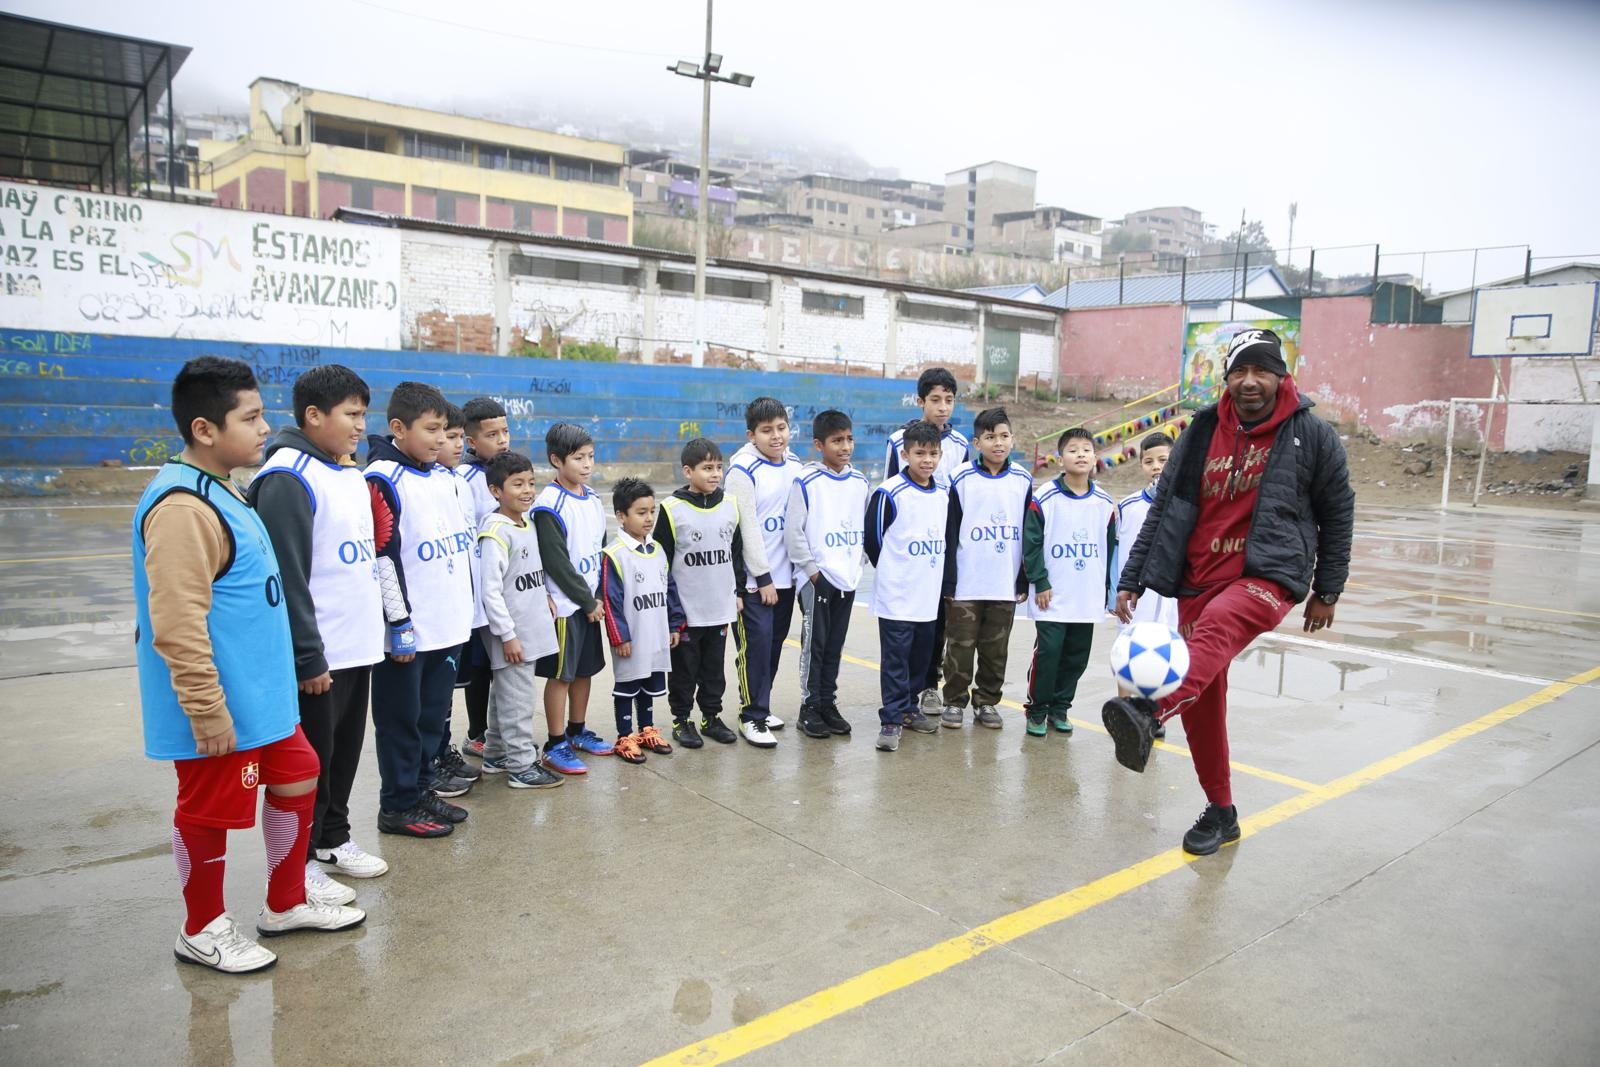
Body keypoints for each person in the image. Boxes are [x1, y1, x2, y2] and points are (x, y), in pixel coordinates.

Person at [135, 357, 362, 975]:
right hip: (222, 702)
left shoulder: (223, 487)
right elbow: (177, 623)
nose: (266, 427)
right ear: (206, 429)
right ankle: (201, 927)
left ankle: (286, 902)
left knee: (299, 770)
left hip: (262, 698)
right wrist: (206, 709)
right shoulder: (182, 507)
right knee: (208, 808)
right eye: (252, 417)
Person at [1104, 328, 1354, 856]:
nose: (1249, 381)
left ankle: (1148, 714)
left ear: (1281, 376)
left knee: (1219, 626)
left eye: (1261, 370)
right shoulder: (1200, 432)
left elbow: (1338, 512)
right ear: (1227, 379)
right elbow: (1165, 507)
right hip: (1198, 576)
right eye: (1239, 371)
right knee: (1204, 700)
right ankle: (1222, 812)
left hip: (1267, 574)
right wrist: (1131, 577)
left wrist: (1327, 588)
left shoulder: (1312, 435)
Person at [248, 364, 389, 909]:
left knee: (344, 754)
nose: (360, 426)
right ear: (313, 415)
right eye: (351, 415)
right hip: (319, 656)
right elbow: (287, 577)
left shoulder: (344, 470)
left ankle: (333, 838)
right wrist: (308, 656)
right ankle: (299, 862)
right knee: (306, 765)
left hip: (356, 647)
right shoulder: (287, 477)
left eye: (362, 415)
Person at [365, 381, 476, 837]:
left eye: (444, 430)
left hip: (449, 624)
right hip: (411, 632)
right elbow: (384, 554)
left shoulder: (445, 477)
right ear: (398, 427)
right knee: (402, 721)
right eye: (431, 430)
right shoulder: (383, 479)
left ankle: (422, 790)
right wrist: (400, 623)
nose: (440, 439)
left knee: (432, 717)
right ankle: (397, 803)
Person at [883, 367, 969, 718]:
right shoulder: (897, 441)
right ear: (921, 401)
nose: (943, 407)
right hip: (910, 539)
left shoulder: (961, 444)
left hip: (943, 537)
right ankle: (900, 696)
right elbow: (890, 500)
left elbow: (960, 498)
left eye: (949, 400)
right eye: (935, 400)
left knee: (937, 620)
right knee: (907, 626)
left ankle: (929, 686)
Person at [475, 451, 564, 789]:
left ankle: (497, 753)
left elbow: (526, 573)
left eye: (530, 483)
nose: (527, 490)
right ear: (496, 490)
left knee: (505, 695)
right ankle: (521, 766)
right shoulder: (497, 531)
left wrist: (543, 595)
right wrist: (507, 634)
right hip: (513, 633)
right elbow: (491, 591)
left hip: (529, 624)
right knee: (518, 701)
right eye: (517, 485)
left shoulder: (524, 523)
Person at [939, 407, 1032, 730]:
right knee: (959, 649)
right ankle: (953, 701)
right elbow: (950, 533)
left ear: (1012, 439)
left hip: (1003, 582)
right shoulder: (960, 478)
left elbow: (1028, 533)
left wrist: (1023, 576)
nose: (998, 443)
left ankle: (987, 701)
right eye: (990, 437)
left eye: (1004, 436)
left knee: (996, 650)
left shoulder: (1022, 479)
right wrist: (949, 581)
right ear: (977, 442)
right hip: (967, 582)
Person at [1022, 428, 1117, 738]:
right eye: (1073, 450)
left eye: (1086, 449)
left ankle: (1060, 708)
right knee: (1049, 652)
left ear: (1095, 457)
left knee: (1077, 655)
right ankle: (1037, 710)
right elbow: (1032, 543)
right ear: (1061, 458)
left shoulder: (1104, 502)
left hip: (1086, 595)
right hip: (1052, 594)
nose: (1080, 455)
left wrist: (1106, 590)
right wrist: (1040, 580)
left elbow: (1110, 548)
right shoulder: (1046, 497)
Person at [532, 423, 614, 774]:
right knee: (562, 675)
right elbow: (557, 562)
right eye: (578, 458)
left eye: (590, 457)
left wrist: (598, 597)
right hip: (566, 607)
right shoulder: (549, 504)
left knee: (585, 671)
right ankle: (555, 743)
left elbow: (599, 550)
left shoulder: (592, 498)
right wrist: (585, 600)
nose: (586, 464)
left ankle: (578, 731)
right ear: (556, 460)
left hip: (589, 605)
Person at [785, 410, 870, 739]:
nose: (845, 446)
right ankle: (810, 706)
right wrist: (812, 571)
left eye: (849, 438)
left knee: (835, 644)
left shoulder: (860, 482)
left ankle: (827, 702)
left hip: (847, 578)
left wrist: (857, 563)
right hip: (818, 580)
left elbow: (865, 529)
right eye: (837, 440)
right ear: (820, 445)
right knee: (814, 645)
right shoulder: (806, 481)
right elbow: (794, 533)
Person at [655, 439, 745, 748]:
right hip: (687, 612)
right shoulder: (671, 509)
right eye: (707, 468)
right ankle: (682, 719)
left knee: (713, 670)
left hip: (719, 607)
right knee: (684, 671)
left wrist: (739, 590)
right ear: (687, 471)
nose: (716, 474)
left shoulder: (730, 505)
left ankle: (711, 716)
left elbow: (736, 553)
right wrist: (669, 610)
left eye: (719, 467)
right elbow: (661, 562)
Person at [866, 421, 949, 752]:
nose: (926, 460)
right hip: (897, 594)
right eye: (919, 453)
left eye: (933, 454)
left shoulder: (944, 494)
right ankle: (891, 717)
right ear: (905, 454)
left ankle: (910, 709)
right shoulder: (889, 493)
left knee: (920, 656)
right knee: (896, 658)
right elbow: (873, 541)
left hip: (928, 596)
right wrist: (893, 571)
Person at [726, 397, 801, 748]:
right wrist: (763, 578)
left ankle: (762, 704)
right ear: (751, 434)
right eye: (767, 431)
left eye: (781, 428)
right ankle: (750, 716)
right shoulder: (742, 470)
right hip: (755, 583)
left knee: (773, 646)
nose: (776, 436)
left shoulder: (796, 465)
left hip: (787, 578)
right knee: (754, 648)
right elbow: (747, 528)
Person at [601, 479, 685, 765]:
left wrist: (674, 625)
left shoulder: (658, 550)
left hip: (655, 632)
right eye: (640, 512)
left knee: (649, 683)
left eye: (652, 511)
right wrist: (619, 636)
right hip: (631, 637)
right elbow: (610, 600)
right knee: (627, 685)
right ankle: (625, 735)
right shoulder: (615, 554)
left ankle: (646, 729)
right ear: (621, 516)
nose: (649, 518)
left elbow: (669, 588)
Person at [1109, 430, 1179, 740]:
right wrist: (1114, 591)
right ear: (1141, 465)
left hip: (1171, 595)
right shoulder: (1128, 506)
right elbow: (1116, 553)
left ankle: (1154, 714)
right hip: (1135, 596)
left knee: (1164, 653)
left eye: (1164, 459)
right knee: (1129, 650)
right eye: (1149, 461)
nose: (1156, 466)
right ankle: (1126, 713)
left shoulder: (1186, 505)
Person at [430, 403, 484, 792]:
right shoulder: (422, 481)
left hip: (460, 606)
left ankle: (442, 749)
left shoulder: (457, 483)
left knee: (445, 690)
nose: (452, 444)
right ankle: (430, 758)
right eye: (446, 436)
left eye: (454, 437)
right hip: (431, 613)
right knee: (432, 695)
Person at [457, 397, 512, 758]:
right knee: (478, 667)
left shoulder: (509, 474)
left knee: (501, 666)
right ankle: (477, 733)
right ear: (471, 441)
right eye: (492, 434)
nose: (503, 439)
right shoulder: (464, 479)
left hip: (504, 587)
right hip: (476, 590)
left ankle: (499, 730)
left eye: (505, 431)